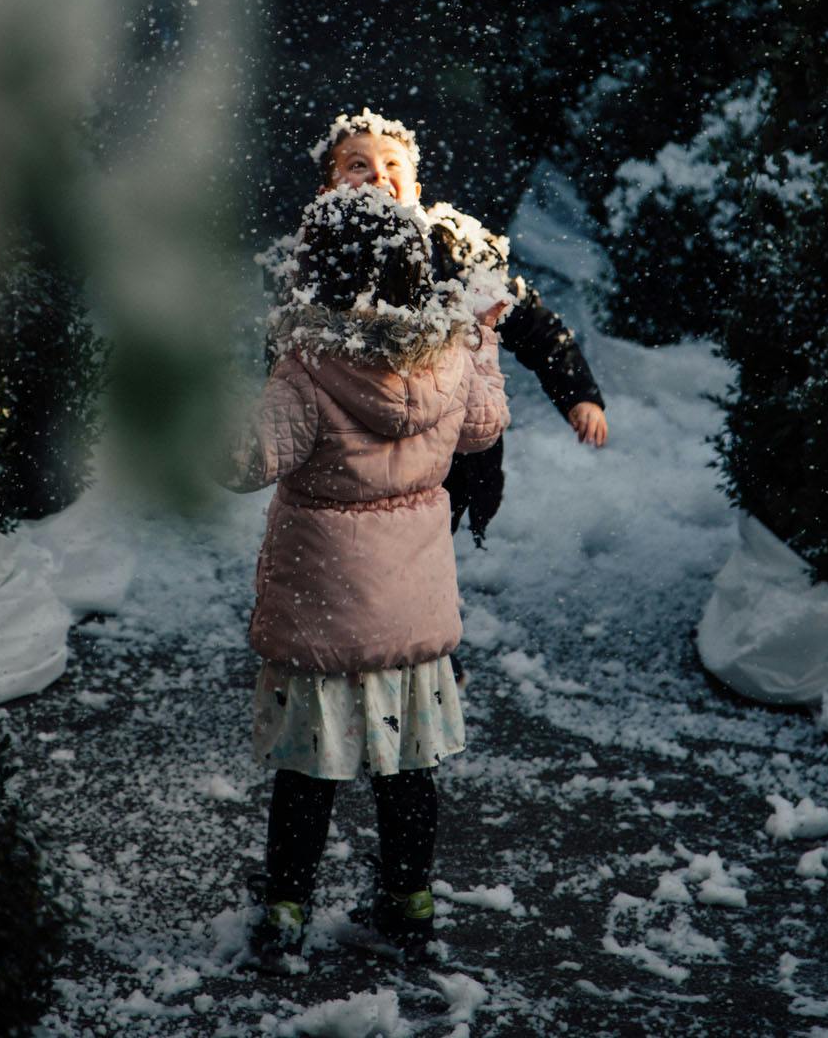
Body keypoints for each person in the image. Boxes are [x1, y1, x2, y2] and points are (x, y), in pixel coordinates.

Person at [224, 186, 510, 970]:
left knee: (309, 772)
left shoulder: (310, 369)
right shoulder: (450, 356)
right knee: (408, 768)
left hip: (323, 615)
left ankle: (286, 906)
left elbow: (245, 462)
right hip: (409, 617)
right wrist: (480, 346)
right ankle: (409, 898)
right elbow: (485, 428)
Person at [264, 107, 608, 547]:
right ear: (327, 192)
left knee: (427, 556)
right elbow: (284, 355)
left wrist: (578, 394)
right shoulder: (311, 266)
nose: (376, 174)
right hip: (345, 465)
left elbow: (534, 325)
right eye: (356, 165)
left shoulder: (457, 253)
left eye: (392, 163)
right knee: (351, 564)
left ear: (416, 189)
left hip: (448, 463)